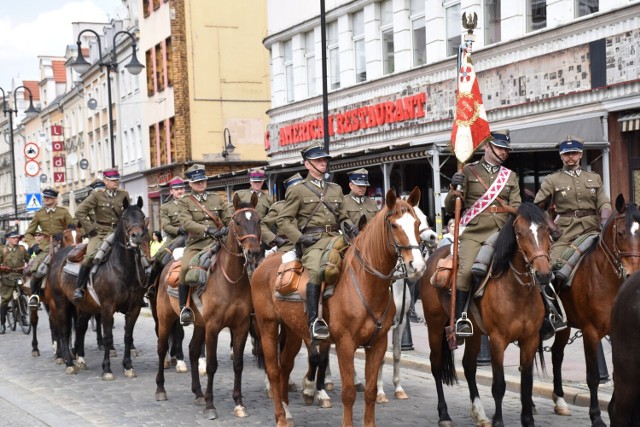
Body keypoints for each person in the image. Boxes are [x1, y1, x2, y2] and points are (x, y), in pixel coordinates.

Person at [445, 130, 521, 339]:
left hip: (504, 230)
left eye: (506, 149)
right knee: (466, 270)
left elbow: (517, 206)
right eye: (499, 148)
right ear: (487, 147)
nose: (504, 152)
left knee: (532, 262)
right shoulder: (469, 171)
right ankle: (461, 317)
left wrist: (510, 210)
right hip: (476, 231)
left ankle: (543, 315)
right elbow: (451, 207)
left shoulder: (510, 176)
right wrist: (454, 190)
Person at [277, 142, 357, 341]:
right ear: (307, 164)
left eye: (324, 160)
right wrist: (299, 238)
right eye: (318, 160)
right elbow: (283, 220)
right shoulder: (297, 190)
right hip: (312, 243)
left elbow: (343, 215)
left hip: (336, 239)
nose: (323, 163)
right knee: (316, 271)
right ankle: (314, 321)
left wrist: (349, 225)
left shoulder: (335, 189)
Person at [533, 135, 612, 332]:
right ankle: (549, 314)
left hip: (594, 228)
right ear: (561, 156)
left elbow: (604, 202)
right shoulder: (552, 179)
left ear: (580, 154)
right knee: (548, 271)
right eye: (567, 154)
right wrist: (552, 227)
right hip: (566, 233)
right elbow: (537, 207)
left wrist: (604, 220)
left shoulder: (594, 178)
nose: (571, 157)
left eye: (574, 153)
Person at [176, 164, 230, 326]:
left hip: (220, 242)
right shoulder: (185, 202)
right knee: (185, 268)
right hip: (196, 244)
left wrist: (229, 228)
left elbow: (228, 217)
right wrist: (207, 230)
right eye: (197, 182)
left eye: (202, 181)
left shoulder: (216, 198)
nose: (201, 184)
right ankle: (184, 308)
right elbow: (186, 222)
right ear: (190, 184)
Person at [73, 168, 130, 302]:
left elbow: (127, 214)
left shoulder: (124, 194)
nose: (116, 182)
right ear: (105, 181)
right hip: (100, 233)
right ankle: (79, 288)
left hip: (118, 233)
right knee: (89, 257)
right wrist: (90, 229)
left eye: (117, 180)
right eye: (113, 180)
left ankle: (138, 288)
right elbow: (80, 212)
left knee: (136, 254)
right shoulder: (97, 195)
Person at [23, 187, 76, 307]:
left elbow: (73, 227)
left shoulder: (63, 212)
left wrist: (64, 234)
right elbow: (28, 233)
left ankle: (79, 291)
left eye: (49, 197)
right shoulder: (39, 214)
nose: (46, 199)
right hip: (46, 246)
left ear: (55, 199)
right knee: (38, 269)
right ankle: (34, 296)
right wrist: (34, 245)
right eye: (45, 197)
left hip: (63, 245)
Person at [145, 177, 187, 298]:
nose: (180, 191)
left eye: (182, 188)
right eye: (177, 189)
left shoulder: (192, 202)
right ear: (171, 191)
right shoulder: (166, 207)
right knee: (159, 258)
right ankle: (151, 286)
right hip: (174, 239)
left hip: (193, 237)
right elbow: (166, 227)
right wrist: (179, 230)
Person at [260, 172, 303, 253]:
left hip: (310, 245)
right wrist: (274, 239)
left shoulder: (312, 205)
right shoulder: (279, 207)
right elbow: (262, 226)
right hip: (288, 246)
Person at [0, 229, 31, 334]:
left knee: (22, 296)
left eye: (17, 237)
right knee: (5, 299)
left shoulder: (22, 249)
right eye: (13, 238)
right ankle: (2, 323)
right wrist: (3, 268)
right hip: (7, 277)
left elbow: (29, 260)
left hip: (19, 276)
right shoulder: (2, 250)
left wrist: (28, 267)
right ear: (8, 239)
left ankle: (23, 317)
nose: (16, 239)